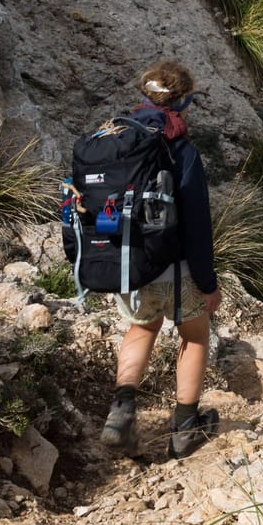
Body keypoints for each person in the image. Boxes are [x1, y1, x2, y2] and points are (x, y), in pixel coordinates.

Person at [98, 60, 223, 459]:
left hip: (129, 267)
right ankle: (185, 429)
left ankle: (121, 411)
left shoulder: (116, 138)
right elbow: (197, 223)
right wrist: (207, 282)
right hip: (176, 268)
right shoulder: (181, 149)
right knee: (195, 335)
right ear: (185, 100)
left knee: (140, 329)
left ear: (145, 97)